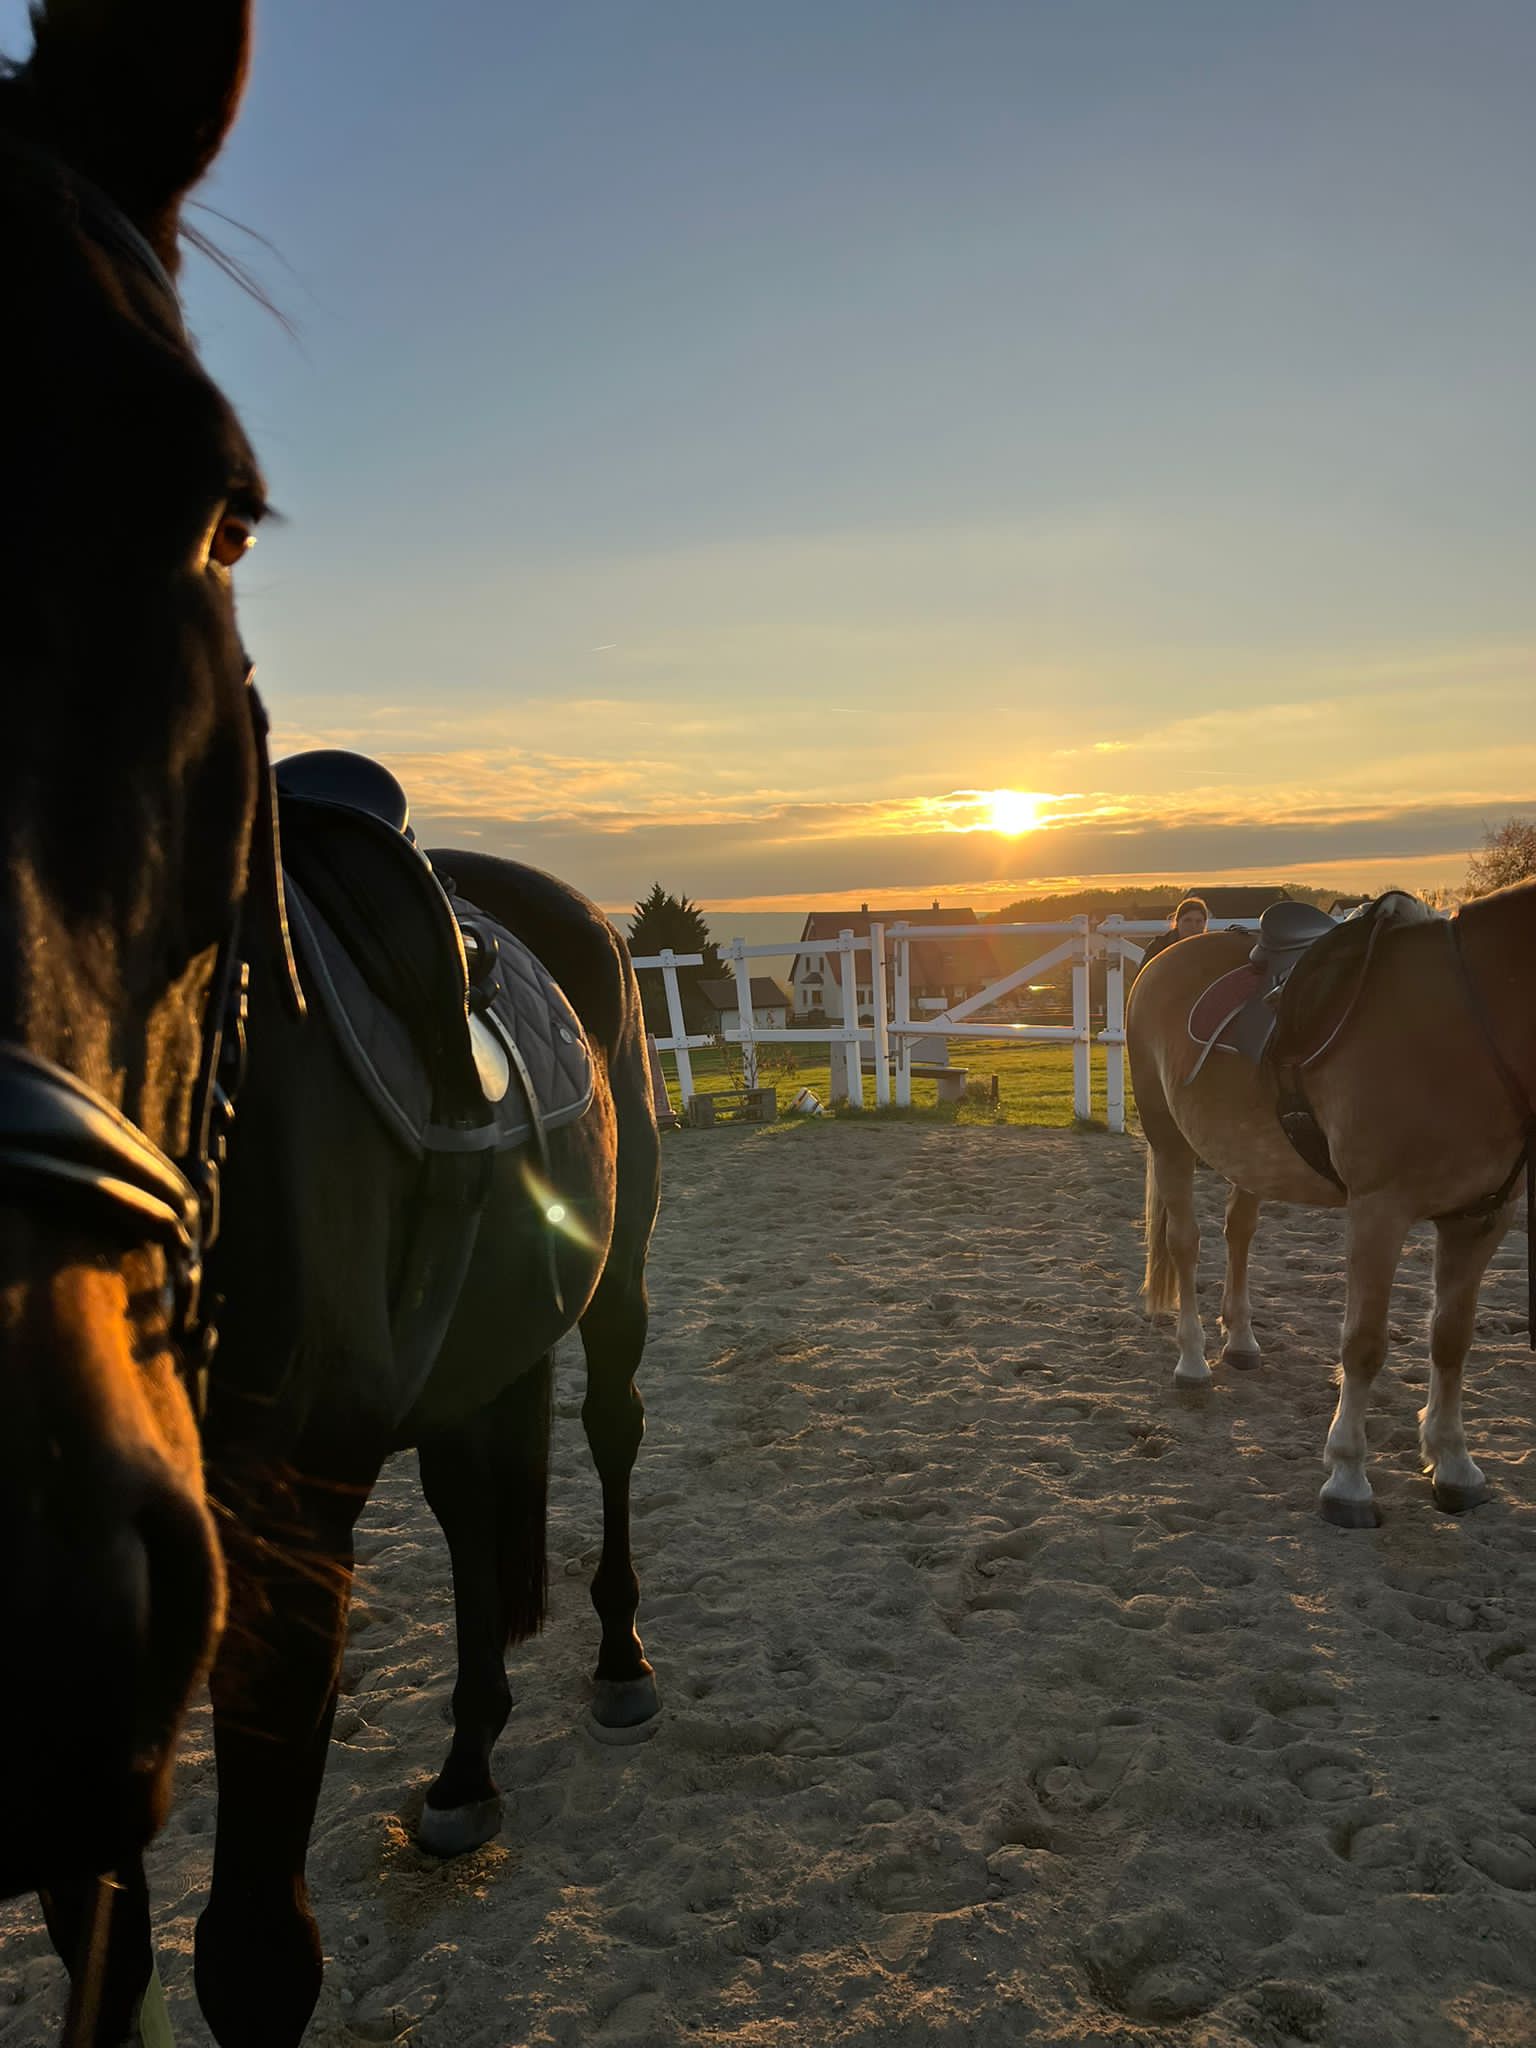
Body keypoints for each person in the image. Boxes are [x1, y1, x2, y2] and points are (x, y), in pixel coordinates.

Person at [1137, 896, 1209, 974]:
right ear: (1177, 922)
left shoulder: (1210, 949)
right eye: (1187, 920)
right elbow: (1143, 977)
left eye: (1198, 921)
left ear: (1205, 924)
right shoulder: (1159, 947)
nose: (1193, 926)